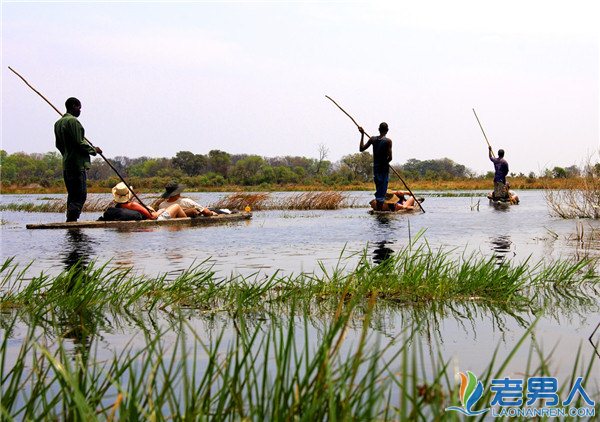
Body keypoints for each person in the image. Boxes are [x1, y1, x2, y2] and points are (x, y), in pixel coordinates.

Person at [54, 97, 102, 222]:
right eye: (79, 108)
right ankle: (72, 221)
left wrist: (67, 154)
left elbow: (58, 145)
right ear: (74, 106)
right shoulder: (73, 122)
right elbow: (79, 142)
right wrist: (94, 150)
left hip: (67, 165)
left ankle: (70, 222)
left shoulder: (58, 123)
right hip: (77, 165)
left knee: (72, 195)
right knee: (80, 195)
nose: (80, 111)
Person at [359, 122, 393, 210]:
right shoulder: (388, 141)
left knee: (379, 191)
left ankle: (379, 211)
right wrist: (385, 162)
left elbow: (361, 148)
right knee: (382, 192)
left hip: (376, 169)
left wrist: (362, 134)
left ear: (379, 129)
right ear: (387, 130)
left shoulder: (373, 139)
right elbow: (390, 158)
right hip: (384, 170)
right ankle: (379, 212)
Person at [111, 182, 187, 220]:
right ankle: (186, 227)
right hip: (157, 220)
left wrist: (149, 208)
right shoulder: (132, 205)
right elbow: (153, 217)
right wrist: (160, 211)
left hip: (149, 217)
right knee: (176, 206)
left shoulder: (118, 206)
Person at [151, 181, 217, 217]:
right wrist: (212, 213)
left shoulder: (161, 205)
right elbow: (206, 212)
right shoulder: (187, 202)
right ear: (178, 192)